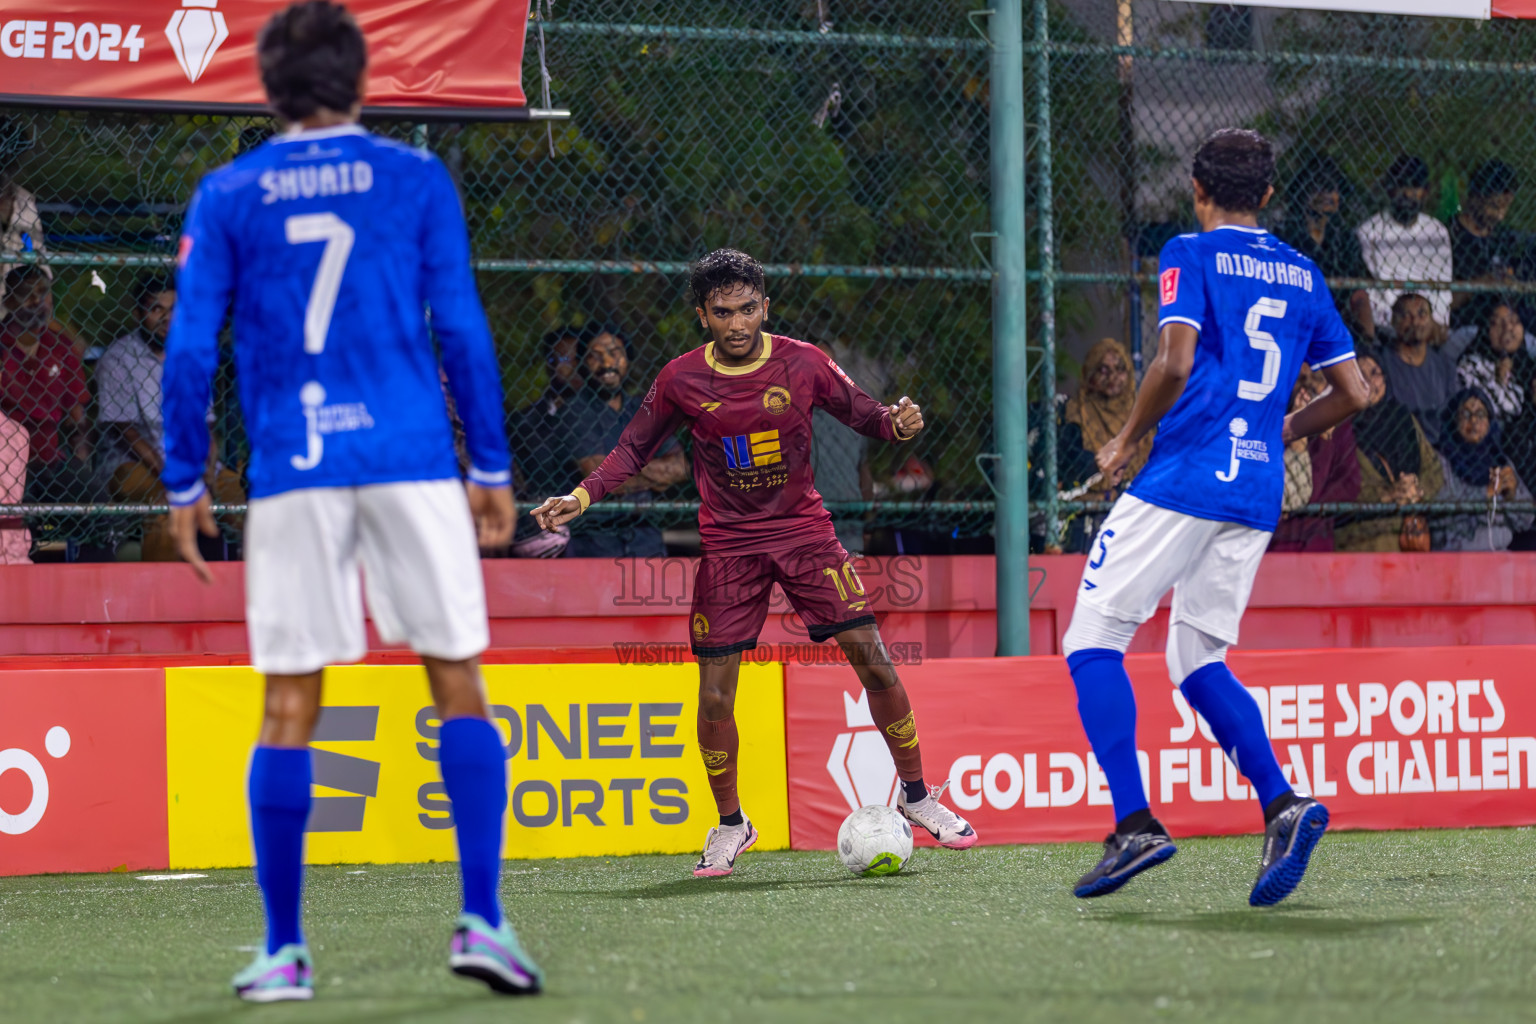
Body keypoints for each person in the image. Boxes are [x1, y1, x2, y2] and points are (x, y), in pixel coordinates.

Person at [161, 1, 541, 1001]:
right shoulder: (415, 177)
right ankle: (484, 921)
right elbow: (460, 325)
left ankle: (284, 951)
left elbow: (191, 345)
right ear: (362, 81)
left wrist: (183, 478)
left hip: (294, 463)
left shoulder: (229, 191)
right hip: (413, 456)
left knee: (290, 701)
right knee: (456, 676)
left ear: (270, 89)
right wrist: (491, 468)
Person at [530, 248, 978, 877]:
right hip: (731, 547)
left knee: (873, 659)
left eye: (747, 309)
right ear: (702, 316)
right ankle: (732, 825)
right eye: (722, 312)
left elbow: (867, 416)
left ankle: (918, 796)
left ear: (765, 308)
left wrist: (899, 424)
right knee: (714, 695)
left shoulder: (804, 361)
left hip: (805, 534)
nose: (737, 323)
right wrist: (579, 498)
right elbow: (630, 451)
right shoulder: (681, 379)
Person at [1062, 129, 1368, 905]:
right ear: (1267, 195)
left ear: (1198, 190)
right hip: (1257, 490)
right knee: (1195, 656)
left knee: (1093, 636)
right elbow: (1357, 392)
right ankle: (1282, 804)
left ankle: (1134, 824)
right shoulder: (1302, 272)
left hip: (1187, 474)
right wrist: (1282, 431)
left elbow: (1172, 360)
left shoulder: (1187, 253)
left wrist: (1124, 442)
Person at [98, 278, 246, 560]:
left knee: (237, 498)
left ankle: (253, 590)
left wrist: (209, 465)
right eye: (156, 309)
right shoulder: (118, 358)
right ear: (139, 315)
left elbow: (205, 424)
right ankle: (162, 598)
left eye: (174, 309)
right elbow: (124, 431)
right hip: (132, 462)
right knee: (165, 503)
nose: (167, 318)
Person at [563, 322, 689, 558]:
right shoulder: (574, 411)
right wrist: (654, 473)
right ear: (583, 364)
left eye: (615, 354)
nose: (607, 364)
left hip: (646, 540)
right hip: (594, 543)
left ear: (627, 360)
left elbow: (680, 467)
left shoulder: (643, 409)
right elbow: (599, 479)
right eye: (595, 356)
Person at [0, 265, 92, 504]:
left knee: (96, 508)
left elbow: (76, 414)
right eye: (25, 293)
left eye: (43, 292)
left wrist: (81, 466)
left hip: (51, 458)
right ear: (8, 301)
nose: (36, 300)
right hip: (5, 459)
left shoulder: (60, 345)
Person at [1335, 351, 1443, 552]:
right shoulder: (1339, 428)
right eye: (1360, 374)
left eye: (1375, 372)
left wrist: (1415, 490)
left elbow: (1435, 470)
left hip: (1410, 541)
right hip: (1362, 545)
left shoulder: (1403, 419)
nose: (1368, 381)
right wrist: (1386, 495)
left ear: (1385, 378)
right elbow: (1335, 489)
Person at [507, 326, 584, 557]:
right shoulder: (523, 421)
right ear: (548, 363)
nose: (568, 365)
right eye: (560, 358)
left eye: (576, 358)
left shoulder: (606, 416)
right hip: (541, 525)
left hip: (594, 521)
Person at [1278, 155, 1373, 336]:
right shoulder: (1285, 238)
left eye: (1332, 190)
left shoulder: (1345, 239)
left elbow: (1359, 289)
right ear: (1304, 193)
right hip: (1297, 324)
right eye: (1319, 189)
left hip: (1340, 323)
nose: (1327, 196)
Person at [1357, 155, 1453, 331]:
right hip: (1387, 327)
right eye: (1402, 186)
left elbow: (1443, 291)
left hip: (1430, 327)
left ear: (1425, 191)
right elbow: (1373, 296)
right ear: (1389, 189)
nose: (1408, 194)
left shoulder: (1437, 230)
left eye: (1414, 187)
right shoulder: (1369, 231)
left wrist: (1434, 324)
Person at [1432, 388, 1533, 551]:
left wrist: (1512, 496)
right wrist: (1484, 494)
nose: (1473, 421)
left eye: (1480, 414)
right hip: (1457, 555)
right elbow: (1438, 519)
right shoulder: (1439, 460)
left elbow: (1527, 520)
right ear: (1454, 420)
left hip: (1499, 554)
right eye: (1465, 414)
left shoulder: (1499, 459)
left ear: (1489, 422)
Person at [1269, 377, 1359, 552]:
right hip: (1276, 538)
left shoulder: (1340, 427)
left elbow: (1350, 485)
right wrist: (1297, 434)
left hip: (1317, 537)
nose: (1309, 390)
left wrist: (1325, 439)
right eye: (1302, 380)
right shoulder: (1276, 417)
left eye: (1317, 381)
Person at [1450, 160, 1529, 327]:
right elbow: (1441, 302)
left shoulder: (1505, 238)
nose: (1500, 216)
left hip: (1507, 328)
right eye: (1493, 206)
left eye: (1505, 207)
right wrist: (1482, 283)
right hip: (1465, 327)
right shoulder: (1449, 235)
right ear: (1475, 198)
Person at [1379, 293, 1460, 443]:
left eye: (1421, 314)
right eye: (1405, 315)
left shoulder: (1444, 366)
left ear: (1431, 321)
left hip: (1438, 448)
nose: (1415, 321)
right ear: (1393, 321)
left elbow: (1454, 413)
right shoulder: (1382, 363)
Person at [1455, 296, 1535, 421]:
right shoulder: (1471, 365)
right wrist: (1499, 381)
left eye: (1514, 321)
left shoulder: (1530, 368)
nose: (1507, 328)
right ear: (1486, 329)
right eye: (1496, 323)